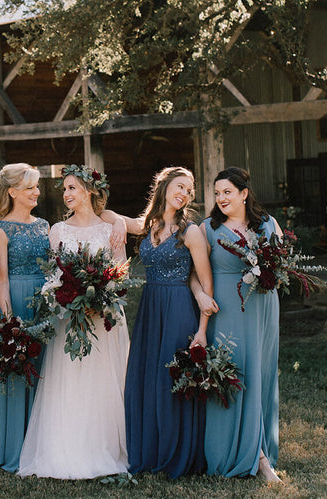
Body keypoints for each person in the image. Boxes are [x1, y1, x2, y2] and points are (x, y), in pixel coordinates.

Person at [18, 164, 129, 479]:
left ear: (90, 191)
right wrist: (64, 296)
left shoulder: (111, 229)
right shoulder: (58, 230)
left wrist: (100, 298)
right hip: (68, 318)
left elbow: (122, 275)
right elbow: (53, 275)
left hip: (104, 318)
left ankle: (103, 445)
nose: (66, 194)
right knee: (69, 379)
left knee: (102, 381)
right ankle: (64, 448)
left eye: (72, 188)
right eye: (64, 189)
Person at [104, 167, 212, 478]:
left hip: (179, 307)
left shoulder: (190, 232)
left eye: (189, 191)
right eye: (180, 186)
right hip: (151, 309)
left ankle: (176, 452)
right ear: (164, 186)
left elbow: (206, 285)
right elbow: (109, 213)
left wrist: (202, 331)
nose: (184, 194)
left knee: (170, 380)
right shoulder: (148, 225)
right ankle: (149, 450)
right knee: (148, 378)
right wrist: (115, 225)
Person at [201, 166, 282, 482]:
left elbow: (278, 263)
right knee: (235, 373)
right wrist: (202, 299)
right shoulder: (207, 228)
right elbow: (196, 273)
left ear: (244, 193)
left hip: (262, 306)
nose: (221, 198)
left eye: (227, 192)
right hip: (227, 309)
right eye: (217, 193)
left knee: (260, 374)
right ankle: (247, 456)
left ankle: (261, 449)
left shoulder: (268, 225)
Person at [0, 163, 50, 472]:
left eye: (37, 186)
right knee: (17, 370)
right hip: (15, 302)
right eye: (30, 188)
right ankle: (13, 447)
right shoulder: (1, 228)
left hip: (44, 303)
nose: (37, 192)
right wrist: (11, 322)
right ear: (13, 192)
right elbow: (0, 278)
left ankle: (40, 445)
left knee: (42, 369)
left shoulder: (44, 225)